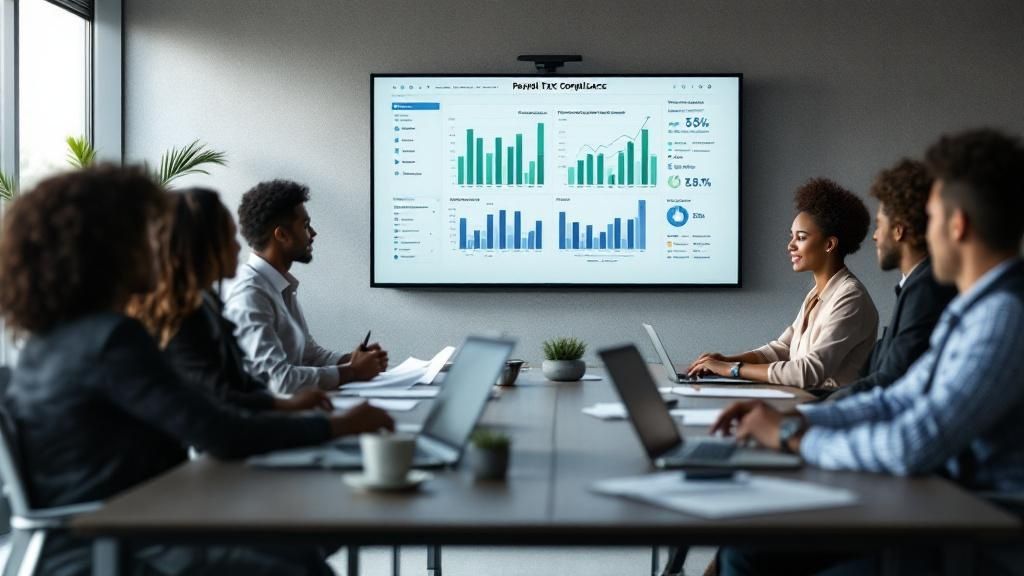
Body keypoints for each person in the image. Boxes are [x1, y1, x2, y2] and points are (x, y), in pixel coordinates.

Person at [0, 166, 394, 575]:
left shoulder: (51, 341)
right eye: (148, 234)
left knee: (299, 548)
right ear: (113, 249)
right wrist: (337, 427)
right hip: (113, 545)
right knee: (298, 562)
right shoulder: (111, 340)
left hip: (114, 531)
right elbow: (218, 431)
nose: (162, 246)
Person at [711, 128, 1024, 576]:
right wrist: (798, 418)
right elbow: (894, 398)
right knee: (748, 548)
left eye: (930, 219)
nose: (923, 234)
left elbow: (910, 444)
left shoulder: (1002, 317)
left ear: (957, 225)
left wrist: (792, 438)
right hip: (938, 507)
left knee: (753, 551)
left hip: (969, 530)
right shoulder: (974, 311)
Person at [127, 187, 331, 412]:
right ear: (203, 249)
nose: (237, 247)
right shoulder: (189, 319)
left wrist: (284, 405)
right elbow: (222, 410)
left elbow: (240, 387)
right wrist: (329, 424)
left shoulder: (207, 303)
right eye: (230, 238)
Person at [687, 179, 879, 389]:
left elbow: (807, 372)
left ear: (829, 244)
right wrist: (725, 361)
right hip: (804, 399)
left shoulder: (851, 297)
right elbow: (783, 349)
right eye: (792, 237)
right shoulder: (817, 293)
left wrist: (733, 369)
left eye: (801, 237)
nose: (790, 245)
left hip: (827, 407)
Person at [224, 179, 386, 394]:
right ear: (281, 235)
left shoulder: (279, 285)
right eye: (305, 226)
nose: (313, 233)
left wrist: (354, 360)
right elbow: (277, 380)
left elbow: (309, 354)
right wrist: (352, 371)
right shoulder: (250, 293)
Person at [827, 160, 957, 401]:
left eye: (878, 225)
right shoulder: (915, 284)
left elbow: (890, 380)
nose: (875, 236)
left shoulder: (926, 288)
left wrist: (807, 411)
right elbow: (872, 372)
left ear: (898, 231)